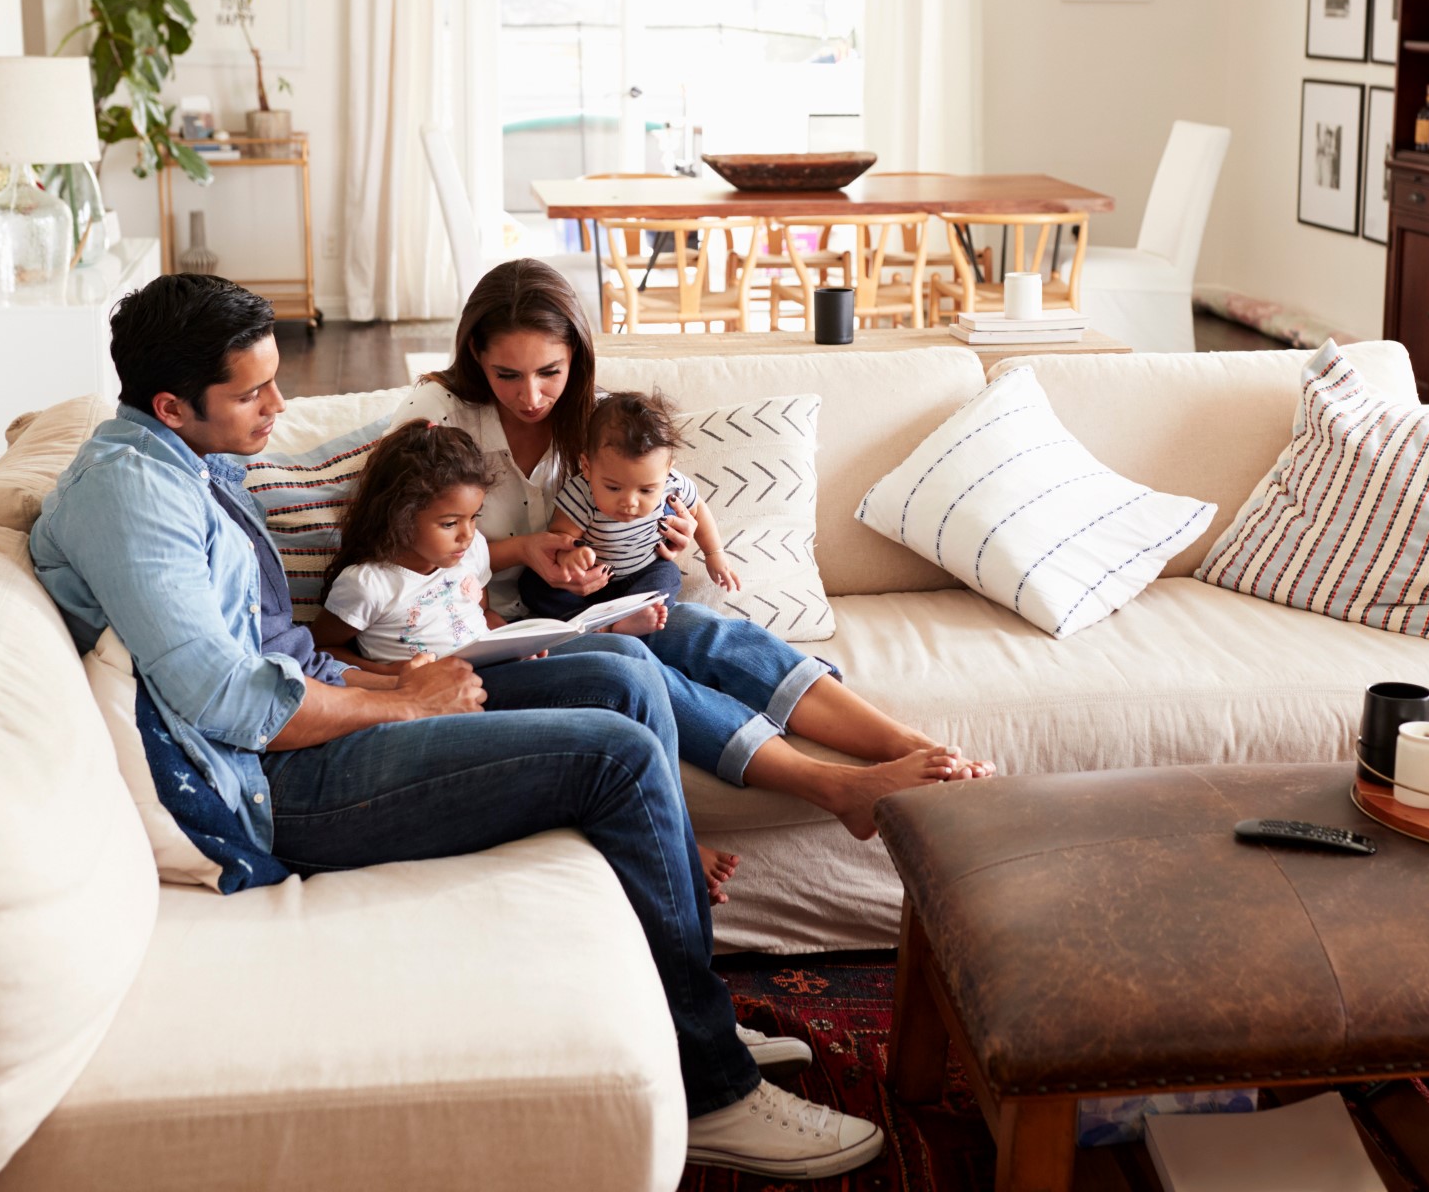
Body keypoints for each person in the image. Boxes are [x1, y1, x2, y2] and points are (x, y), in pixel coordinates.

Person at [28, 273, 884, 1179]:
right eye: (252, 392)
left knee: (624, 670)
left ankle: (688, 1010)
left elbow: (273, 654)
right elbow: (231, 704)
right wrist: (402, 700)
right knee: (623, 759)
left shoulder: (188, 459)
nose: (280, 404)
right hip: (273, 785)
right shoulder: (135, 497)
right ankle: (714, 1089)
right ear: (171, 403)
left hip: (327, 704)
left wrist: (394, 673)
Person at [390, 259, 993, 839]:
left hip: (586, 610)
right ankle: (836, 789)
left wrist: (668, 539)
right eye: (508, 375)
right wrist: (523, 549)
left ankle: (913, 748)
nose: (532, 396)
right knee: (640, 666)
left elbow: (647, 501)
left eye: (551, 370)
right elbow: (395, 553)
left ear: (575, 354)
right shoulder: (438, 418)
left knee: (707, 633)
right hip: (484, 637)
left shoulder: (590, 422)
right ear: (476, 354)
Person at [311, 417, 739, 903]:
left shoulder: (467, 552)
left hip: (496, 669)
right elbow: (324, 650)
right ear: (399, 515)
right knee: (615, 697)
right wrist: (394, 678)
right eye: (450, 524)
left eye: (473, 519)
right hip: (438, 701)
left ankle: (672, 836)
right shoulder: (369, 584)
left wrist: (506, 635)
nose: (467, 536)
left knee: (630, 659)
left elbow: (478, 610)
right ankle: (672, 848)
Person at [526, 390, 737, 622]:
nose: (630, 502)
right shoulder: (581, 493)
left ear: (667, 471)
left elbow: (698, 509)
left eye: (646, 490)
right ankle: (598, 624)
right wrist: (570, 558)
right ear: (587, 467)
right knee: (533, 585)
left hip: (642, 573)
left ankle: (631, 618)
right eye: (613, 488)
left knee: (668, 575)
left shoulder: (672, 484)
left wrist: (714, 553)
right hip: (588, 584)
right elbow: (559, 537)